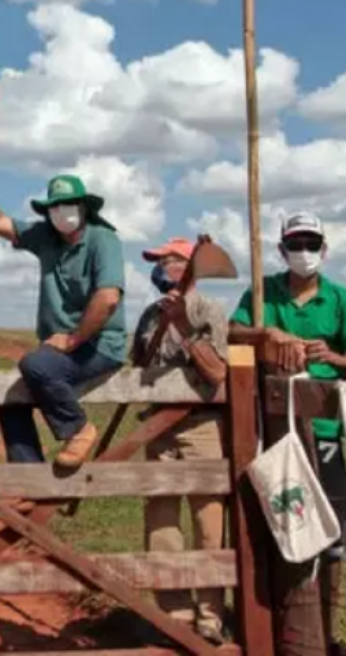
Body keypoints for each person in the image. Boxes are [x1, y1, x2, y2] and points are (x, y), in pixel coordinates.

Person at [0, 162, 126, 467]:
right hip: (61, 350)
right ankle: (29, 477)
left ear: (83, 207)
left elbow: (107, 298)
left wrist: (72, 340)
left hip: (98, 344)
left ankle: (79, 430)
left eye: (68, 205)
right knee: (9, 398)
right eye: (55, 206)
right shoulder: (46, 236)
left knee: (35, 365)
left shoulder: (102, 239)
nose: (61, 212)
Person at [229, 212, 346, 651]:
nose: (304, 252)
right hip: (272, 429)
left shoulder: (338, 298)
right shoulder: (264, 294)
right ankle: (275, 626)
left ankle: (325, 632)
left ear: (324, 249)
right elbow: (232, 331)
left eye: (311, 243)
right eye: (295, 243)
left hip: (326, 429)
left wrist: (333, 357)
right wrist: (267, 333)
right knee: (276, 519)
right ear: (281, 250)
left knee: (328, 530)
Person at [133, 238, 228, 644]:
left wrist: (185, 328)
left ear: (188, 267)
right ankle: (174, 614)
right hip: (159, 426)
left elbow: (218, 373)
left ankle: (210, 618)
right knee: (162, 523)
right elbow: (137, 366)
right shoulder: (149, 315)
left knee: (209, 524)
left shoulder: (209, 310)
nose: (160, 267)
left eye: (168, 260)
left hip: (202, 427)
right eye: (158, 261)